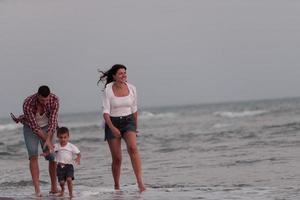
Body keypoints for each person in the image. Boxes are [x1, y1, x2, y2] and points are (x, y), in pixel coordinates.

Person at [98, 64, 146, 192]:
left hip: (129, 121)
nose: (124, 75)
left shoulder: (132, 88)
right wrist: (112, 127)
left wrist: (135, 127)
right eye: (120, 73)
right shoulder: (108, 89)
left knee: (133, 148)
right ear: (114, 76)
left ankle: (140, 182)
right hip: (112, 122)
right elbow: (105, 112)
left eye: (125, 73)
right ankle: (117, 186)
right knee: (117, 158)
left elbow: (134, 109)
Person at [11, 85, 59, 197]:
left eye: (47, 100)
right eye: (42, 100)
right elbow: (35, 127)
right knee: (33, 154)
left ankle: (54, 187)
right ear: (38, 96)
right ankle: (37, 190)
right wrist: (46, 141)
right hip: (30, 127)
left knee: (52, 156)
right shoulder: (28, 103)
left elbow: (53, 122)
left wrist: (49, 141)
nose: (45, 102)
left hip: (48, 126)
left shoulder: (54, 100)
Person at [42, 127, 81, 198]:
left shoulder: (71, 146)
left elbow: (78, 153)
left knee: (69, 179)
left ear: (68, 137)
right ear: (58, 137)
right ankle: (62, 190)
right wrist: (46, 154)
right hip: (59, 167)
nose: (63, 139)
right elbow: (51, 151)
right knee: (62, 182)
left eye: (65, 137)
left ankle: (71, 193)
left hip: (69, 166)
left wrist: (78, 158)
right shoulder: (57, 146)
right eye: (61, 137)